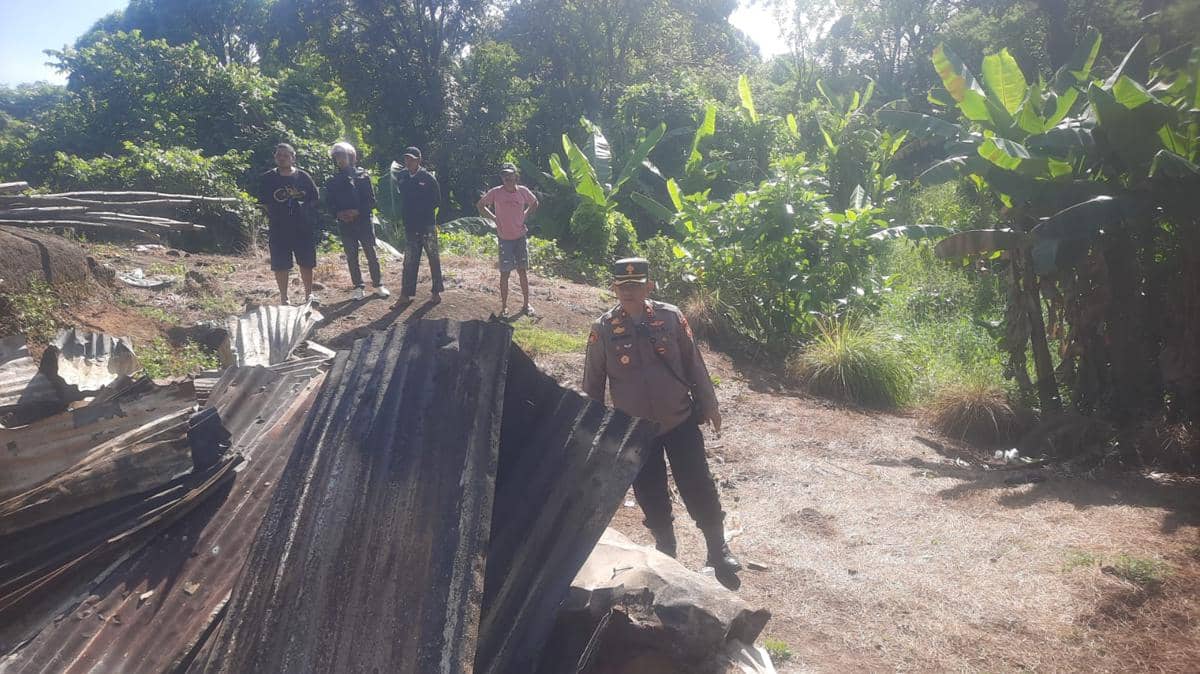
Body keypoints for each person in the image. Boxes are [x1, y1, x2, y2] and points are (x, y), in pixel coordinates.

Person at [582, 257, 742, 586]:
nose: (628, 291)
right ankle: (666, 548)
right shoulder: (603, 329)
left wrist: (710, 404)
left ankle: (717, 547)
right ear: (614, 288)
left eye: (635, 285)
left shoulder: (670, 318)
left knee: (698, 483)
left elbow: (693, 363)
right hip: (636, 428)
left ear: (649, 286)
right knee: (649, 490)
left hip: (678, 419)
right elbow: (593, 383)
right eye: (622, 286)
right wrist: (593, 432)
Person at [324, 142, 388, 300]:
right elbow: (329, 204)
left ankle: (378, 284)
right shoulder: (333, 180)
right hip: (345, 224)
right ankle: (358, 286)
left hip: (364, 222)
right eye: (337, 157)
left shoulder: (362, 176)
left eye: (343, 156)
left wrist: (357, 211)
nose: (340, 160)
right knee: (351, 255)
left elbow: (371, 201)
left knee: (371, 254)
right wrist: (339, 214)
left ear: (351, 157)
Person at [257, 143, 319, 305]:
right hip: (278, 227)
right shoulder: (267, 178)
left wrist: (305, 212)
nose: (282, 158)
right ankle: (284, 298)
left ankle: (309, 295)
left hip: (302, 227)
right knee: (280, 263)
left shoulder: (303, 177)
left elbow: (314, 198)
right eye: (279, 155)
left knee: (306, 261)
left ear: (293, 157)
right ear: (275, 157)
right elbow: (263, 202)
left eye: (285, 155)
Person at [476, 162, 539, 317]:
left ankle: (526, 305)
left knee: (522, 271)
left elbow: (535, 203)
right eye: (504, 175)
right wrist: (494, 218)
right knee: (505, 273)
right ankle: (504, 307)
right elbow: (480, 205)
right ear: (502, 177)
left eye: (510, 175)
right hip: (504, 239)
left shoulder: (523, 191)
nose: (507, 178)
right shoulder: (496, 192)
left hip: (520, 237)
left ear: (515, 176)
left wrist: (525, 215)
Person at [394, 146, 444, 304]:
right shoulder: (401, 176)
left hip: (427, 225)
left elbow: (437, 201)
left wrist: (422, 211)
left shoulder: (428, 178)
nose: (408, 162)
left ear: (419, 160)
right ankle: (405, 295)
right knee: (409, 261)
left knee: (433, 259)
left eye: (412, 159)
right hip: (410, 226)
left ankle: (436, 292)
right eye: (406, 159)